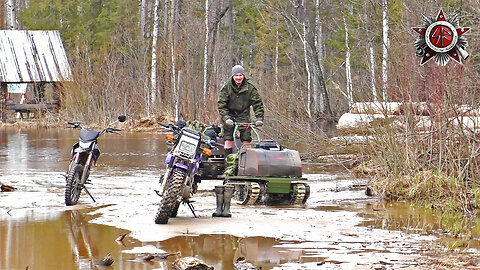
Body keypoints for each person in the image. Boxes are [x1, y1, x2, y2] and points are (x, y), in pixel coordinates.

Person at [217, 65, 264, 157]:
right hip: (229, 115)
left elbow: (257, 103)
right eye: (236, 75)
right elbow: (221, 105)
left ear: (243, 75)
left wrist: (259, 118)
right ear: (233, 76)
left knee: (246, 139)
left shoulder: (250, 88)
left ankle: (246, 163)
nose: (238, 78)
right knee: (228, 138)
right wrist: (226, 118)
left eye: (240, 75)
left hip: (244, 115)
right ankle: (228, 163)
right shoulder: (226, 88)